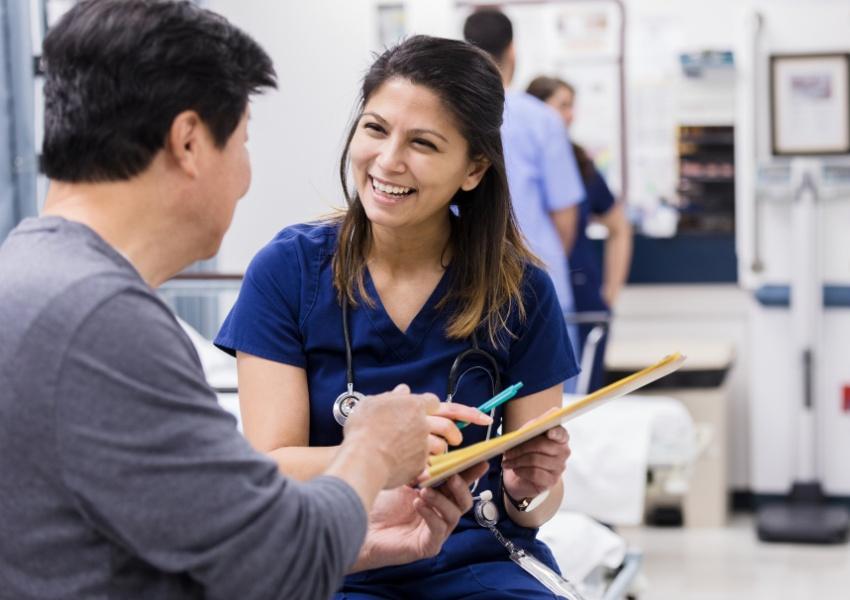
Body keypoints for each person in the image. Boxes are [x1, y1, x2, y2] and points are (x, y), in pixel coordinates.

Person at [0, 2, 462, 598]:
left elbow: (213, 546)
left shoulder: (29, 274)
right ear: (189, 142)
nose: (245, 179)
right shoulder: (99, 320)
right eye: (241, 143)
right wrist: (372, 447)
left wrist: (367, 545)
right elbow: (276, 563)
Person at [214, 35, 578, 598]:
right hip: (335, 558)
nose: (388, 161)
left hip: (478, 560)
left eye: (424, 143)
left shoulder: (521, 291)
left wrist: (528, 488)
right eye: (375, 129)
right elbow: (270, 471)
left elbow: (533, 511)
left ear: (474, 167)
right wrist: (381, 452)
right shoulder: (289, 272)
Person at [463, 9, 586, 337]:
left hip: (471, 288)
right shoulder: (542, 120)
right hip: (539, 284)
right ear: (512, 50)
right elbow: (565, 217)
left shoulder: (456, 118)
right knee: (559, 389)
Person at [526, 76, 633, 390]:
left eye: (572, 106)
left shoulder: (580, 163)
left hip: (583, 299)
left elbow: (619, 227)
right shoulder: (517, 160)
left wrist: (610, 293)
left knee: (586, 396)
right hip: (539, 296)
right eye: (562, 105)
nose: (570, 115)